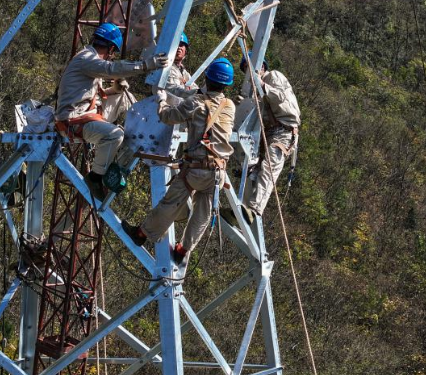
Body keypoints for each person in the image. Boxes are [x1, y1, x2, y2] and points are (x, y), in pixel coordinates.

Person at [126, 57, 236, 264]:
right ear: (226, 85)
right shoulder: (229, 106)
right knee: (202, 213)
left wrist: (161, 100)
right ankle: (183, 250)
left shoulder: (196, 102)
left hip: (196, 168)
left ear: (207, 78)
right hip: (219, 171)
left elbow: (169, 117)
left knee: (171, 203)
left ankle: (142, 234)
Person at [55, 22, 167, 199]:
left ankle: (144, 131)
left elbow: (95, 95)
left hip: (86, 112)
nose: (111, 56)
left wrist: (115, 89)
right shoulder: (87, 59)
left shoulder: (89, 59)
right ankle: (95, 177)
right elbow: (110, 69)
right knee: (115, 135)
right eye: (112, 52)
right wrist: (145, 65)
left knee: (124, 96)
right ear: (110, 48)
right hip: (73, 120)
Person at [240, 53, 300, 224]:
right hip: (269, 132)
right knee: (253, 169)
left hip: (284, 131)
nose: (247, 72)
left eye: (248, 68)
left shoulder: (273, 76)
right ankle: (243, 208)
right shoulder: (253, 90)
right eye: (245, 69)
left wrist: (263, 86)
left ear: (261, 66)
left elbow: (281, 97)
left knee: (269, 167)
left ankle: (254, 208)